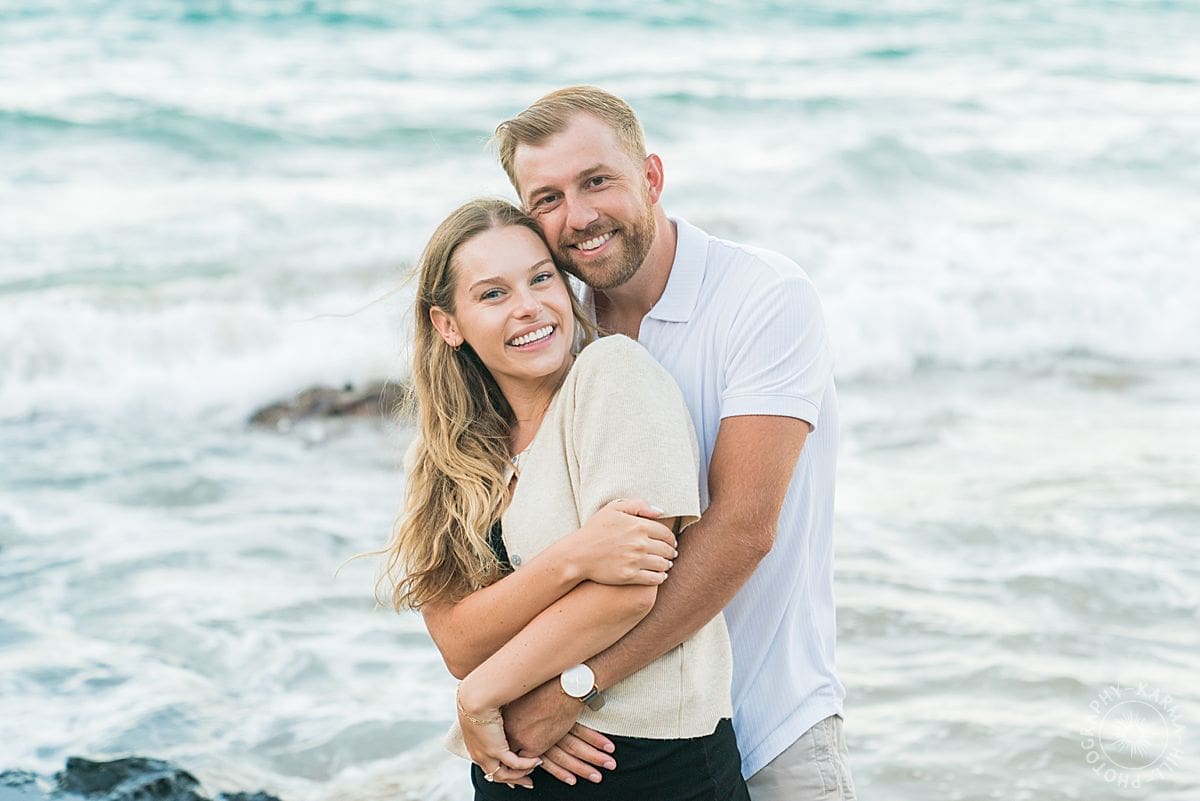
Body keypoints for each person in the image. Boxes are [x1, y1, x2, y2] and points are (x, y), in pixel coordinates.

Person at [490, 87, 857, 801]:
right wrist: (503, 692)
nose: (579, 216)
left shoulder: (762, 297)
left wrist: (575, 683)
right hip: (617, 743)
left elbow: (742, 529)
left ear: (651, 177)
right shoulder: (553, 331)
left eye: (597, 181)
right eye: (548, 198)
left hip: (769, 722)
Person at [383, 198, 749, 799]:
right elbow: (459, 643)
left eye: (541, 278)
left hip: (648, 767)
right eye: (493, 294)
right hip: (515, 766)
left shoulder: (611, 375)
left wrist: (485, 695)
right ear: (448, 324)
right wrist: (574, 558)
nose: (528, 306)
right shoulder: (445, 455)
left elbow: (631, 588)